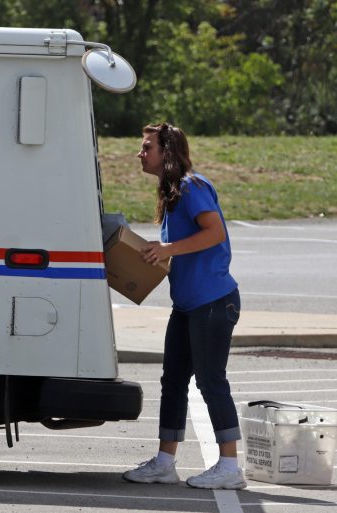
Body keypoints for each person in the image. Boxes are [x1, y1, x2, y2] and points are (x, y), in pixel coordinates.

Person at [122, 123, 245, 490]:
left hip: (213, 303)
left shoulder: (192, 186)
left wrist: (167, 250)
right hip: (188, 305)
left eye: (147, 147)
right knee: (173, 381)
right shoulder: (173, 193)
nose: (141, 154)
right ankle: (164, 462)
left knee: (211, 380)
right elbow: (182, 245)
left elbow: (214, 233)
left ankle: (229, 467)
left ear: (167, 152)